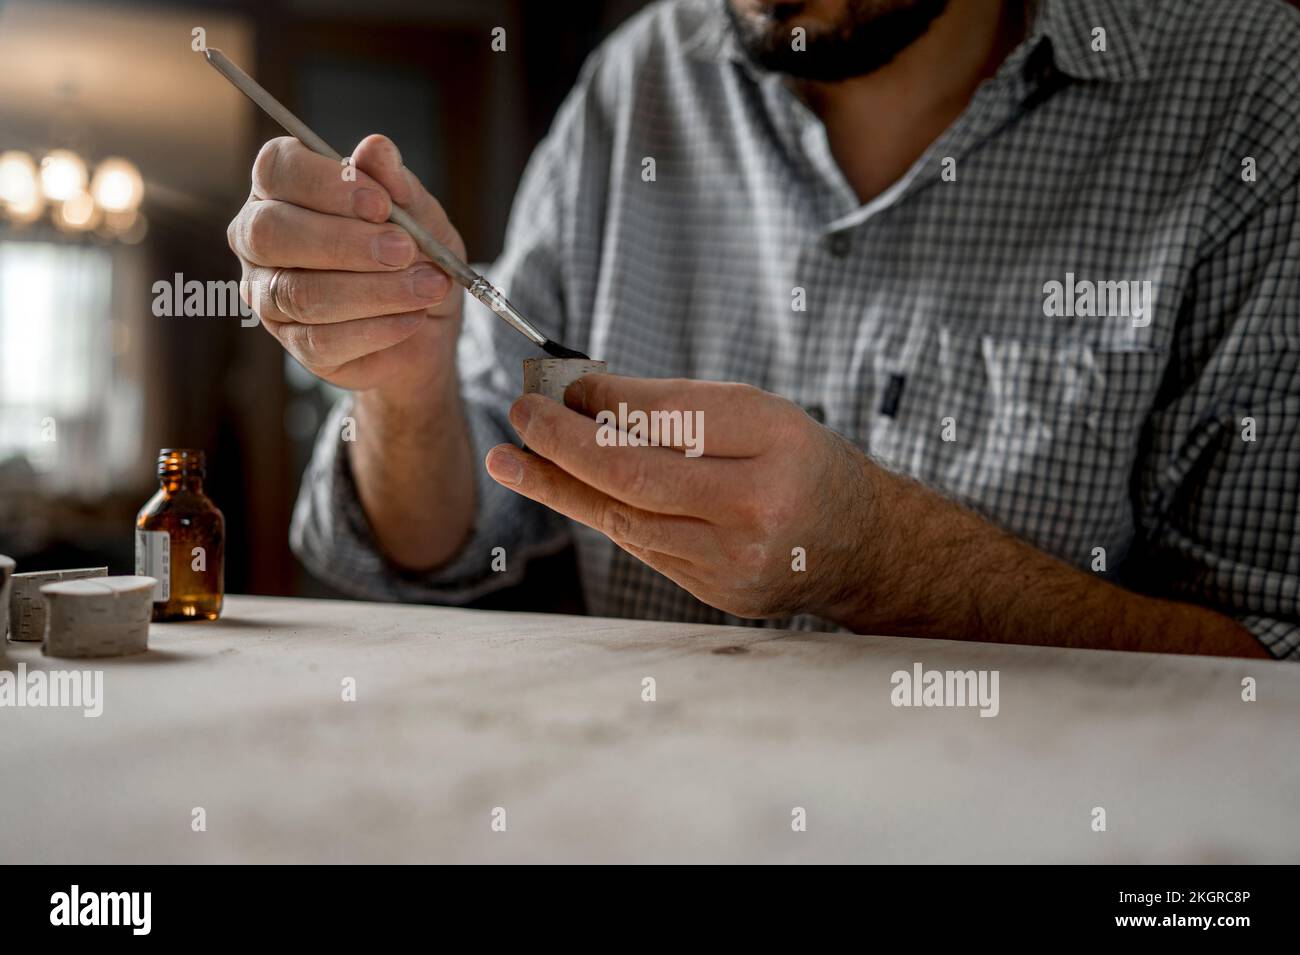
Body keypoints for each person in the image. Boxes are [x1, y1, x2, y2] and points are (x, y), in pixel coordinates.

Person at [227, 0, 1300, 658]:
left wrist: (875, 556)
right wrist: (401, 385)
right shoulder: (638, 83)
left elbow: (1270, 670)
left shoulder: (1249, 92)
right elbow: (432, 544)